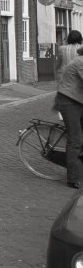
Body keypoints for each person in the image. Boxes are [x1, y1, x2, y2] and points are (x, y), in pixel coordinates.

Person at [55, 31, 83, 188]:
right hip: (69, 100)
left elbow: (57, 66)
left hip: (74, 95)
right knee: (75, 139)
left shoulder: (63, 50)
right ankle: (72, 179)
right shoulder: (80, 62)